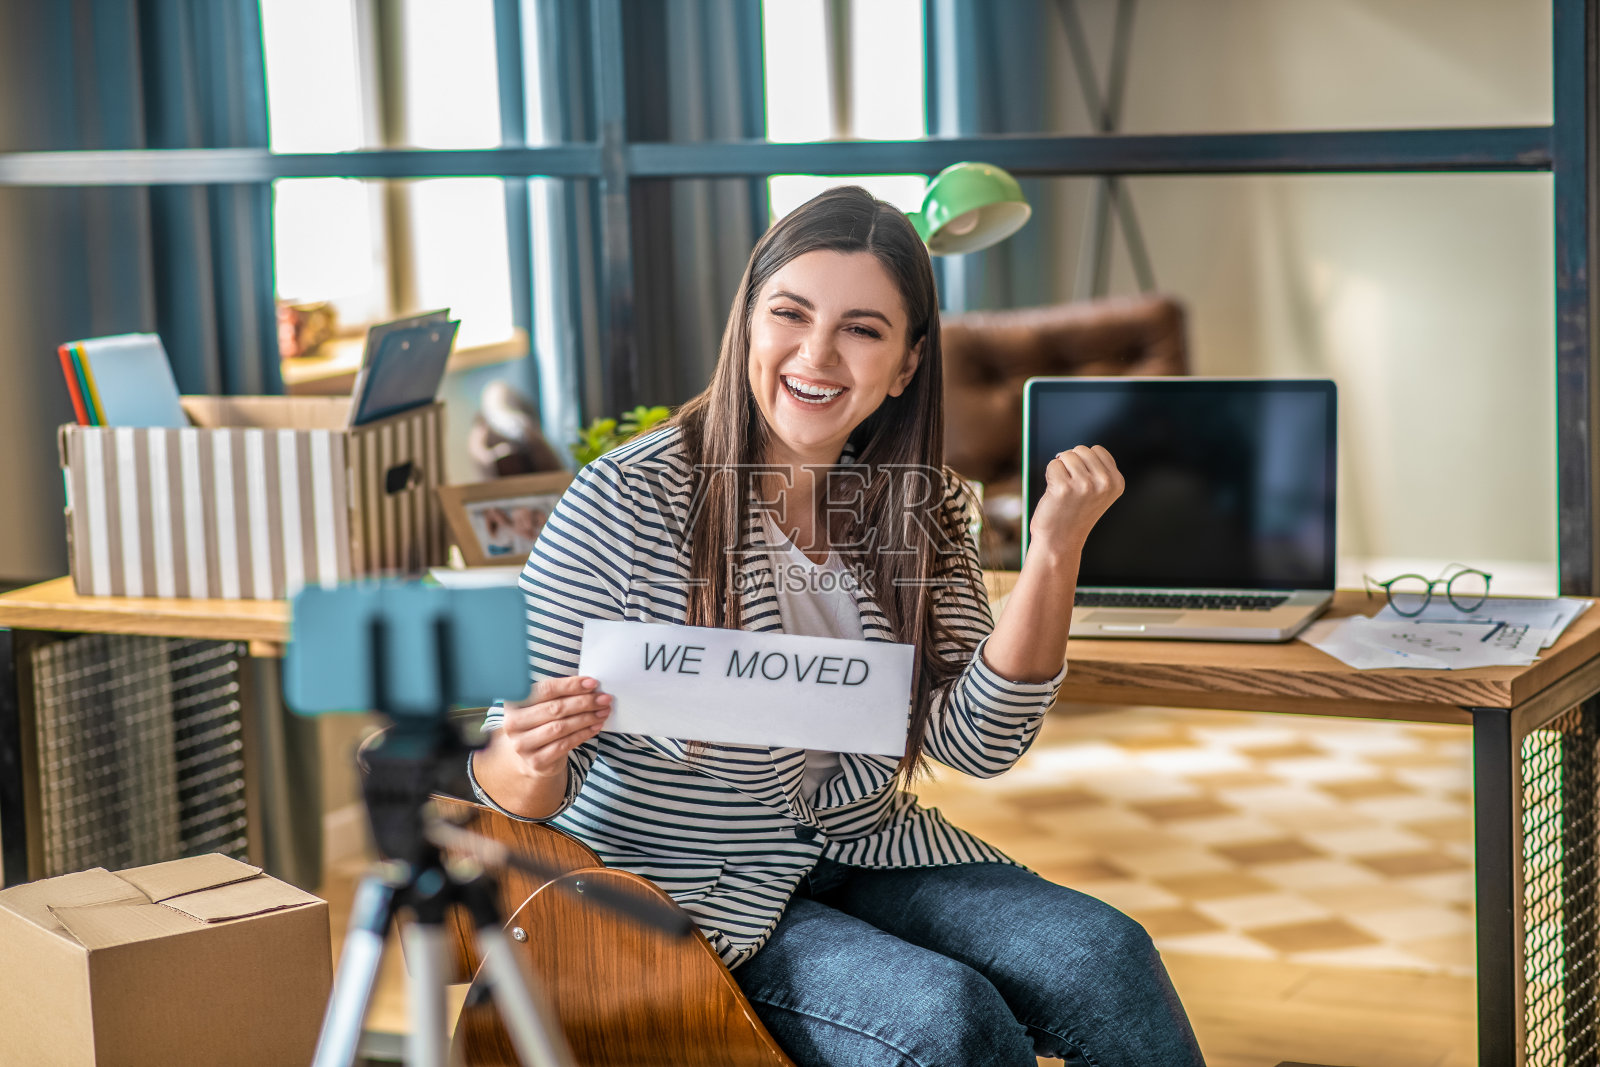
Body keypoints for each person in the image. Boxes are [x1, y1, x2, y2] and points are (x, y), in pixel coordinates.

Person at [470, 186, 1205, 1066]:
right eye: (790, 313)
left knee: (1106, 956)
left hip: (861, 844)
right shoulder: (627, 499)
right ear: (748, 322)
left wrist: (1053, 554)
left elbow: (977, 743)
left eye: (861, 328)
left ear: (905, 364)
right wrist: (530, 751)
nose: (816, 354)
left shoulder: (920, 505)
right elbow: (510, 786)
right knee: (947, 1020)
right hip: (677, 889)